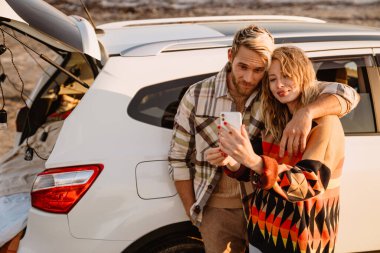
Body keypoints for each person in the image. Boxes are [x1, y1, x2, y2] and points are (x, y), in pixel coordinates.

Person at [168, 25, 359, 253]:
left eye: (259, 71)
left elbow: (348, 94)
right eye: (243, 67)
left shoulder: (290, 106)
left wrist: (305, 113)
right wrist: (231, 162)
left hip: (296, 233)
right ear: (230, 56)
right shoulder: (203, 96)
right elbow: (179, 157)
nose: (250, 78)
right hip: (252, 221)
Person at [216, 46, 345, 253]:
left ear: (303, 76)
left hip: (300, 238)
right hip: (262, 232)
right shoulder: (275, 120)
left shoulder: (326, 123)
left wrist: (254, 161)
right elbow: (256, 171)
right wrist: (231, 161)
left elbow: (308, 184)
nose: (279, 85)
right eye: (273, 79)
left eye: (286, 76)